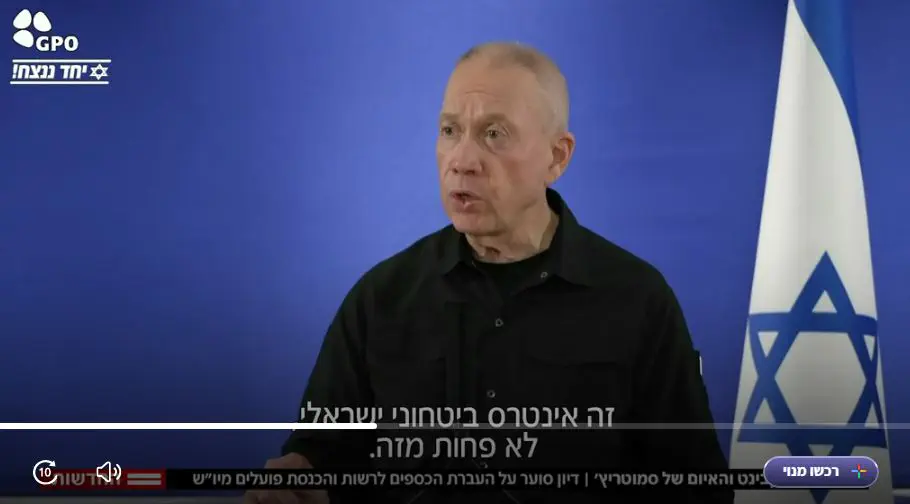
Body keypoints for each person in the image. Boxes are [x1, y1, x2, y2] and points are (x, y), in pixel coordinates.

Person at [245, 41, 732, 504]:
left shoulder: (637, 300)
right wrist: (300, 482)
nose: (462, 161)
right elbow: (321, 458)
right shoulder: (379, 299)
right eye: (450, 131)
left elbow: (694, 486)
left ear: (557, 157)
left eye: (494, 134)